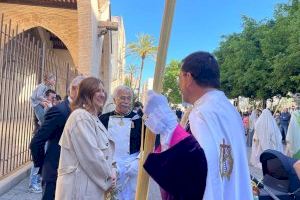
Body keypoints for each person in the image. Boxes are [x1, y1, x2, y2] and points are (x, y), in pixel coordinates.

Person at [142, 51, 252, 199]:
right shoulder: (228, 109)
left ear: (188, 77)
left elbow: (193, 172)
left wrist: (169, 128)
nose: (179, 85)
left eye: (179, 78)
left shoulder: (202, 113)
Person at [55, 77, 116, 200]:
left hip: (89, 186)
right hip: (80, 188)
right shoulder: (81, 116)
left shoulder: (92, 117)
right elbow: (92, 156)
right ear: (87, 93)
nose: (102, 94)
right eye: (97, 90)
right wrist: (109, 178)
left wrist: (113, 170)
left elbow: (107, 152)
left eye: (103, 91)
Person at [30, 76, 85, 200]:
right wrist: (44, 166)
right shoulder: (60, 111)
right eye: (87, 90)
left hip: (74, 174)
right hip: (55, 174)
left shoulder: (83, 111)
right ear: (76, 89)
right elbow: (37, 142)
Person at [99, 85, 142, 200]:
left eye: (129, 98)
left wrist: (138, 161)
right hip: (110, 164)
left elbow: (147, 145)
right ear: (114, 99)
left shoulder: (139, 120)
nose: (126, 102)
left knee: (130, 195)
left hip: (131, 165)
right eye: (122, 98)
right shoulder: (103, 119)